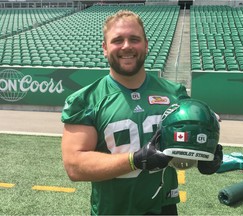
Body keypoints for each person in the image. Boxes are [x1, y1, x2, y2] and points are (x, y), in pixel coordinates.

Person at [61, 10, 189, 215]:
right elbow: (75, 166)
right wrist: (135, 160)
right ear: (104, 48)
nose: (127, 46)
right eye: (117, 40)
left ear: (146, 45)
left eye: (134, 39)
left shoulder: (175, 94)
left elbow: (183, 154)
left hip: (164, 208)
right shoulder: (85, 100)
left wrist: (204, 154)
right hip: (113, 209)